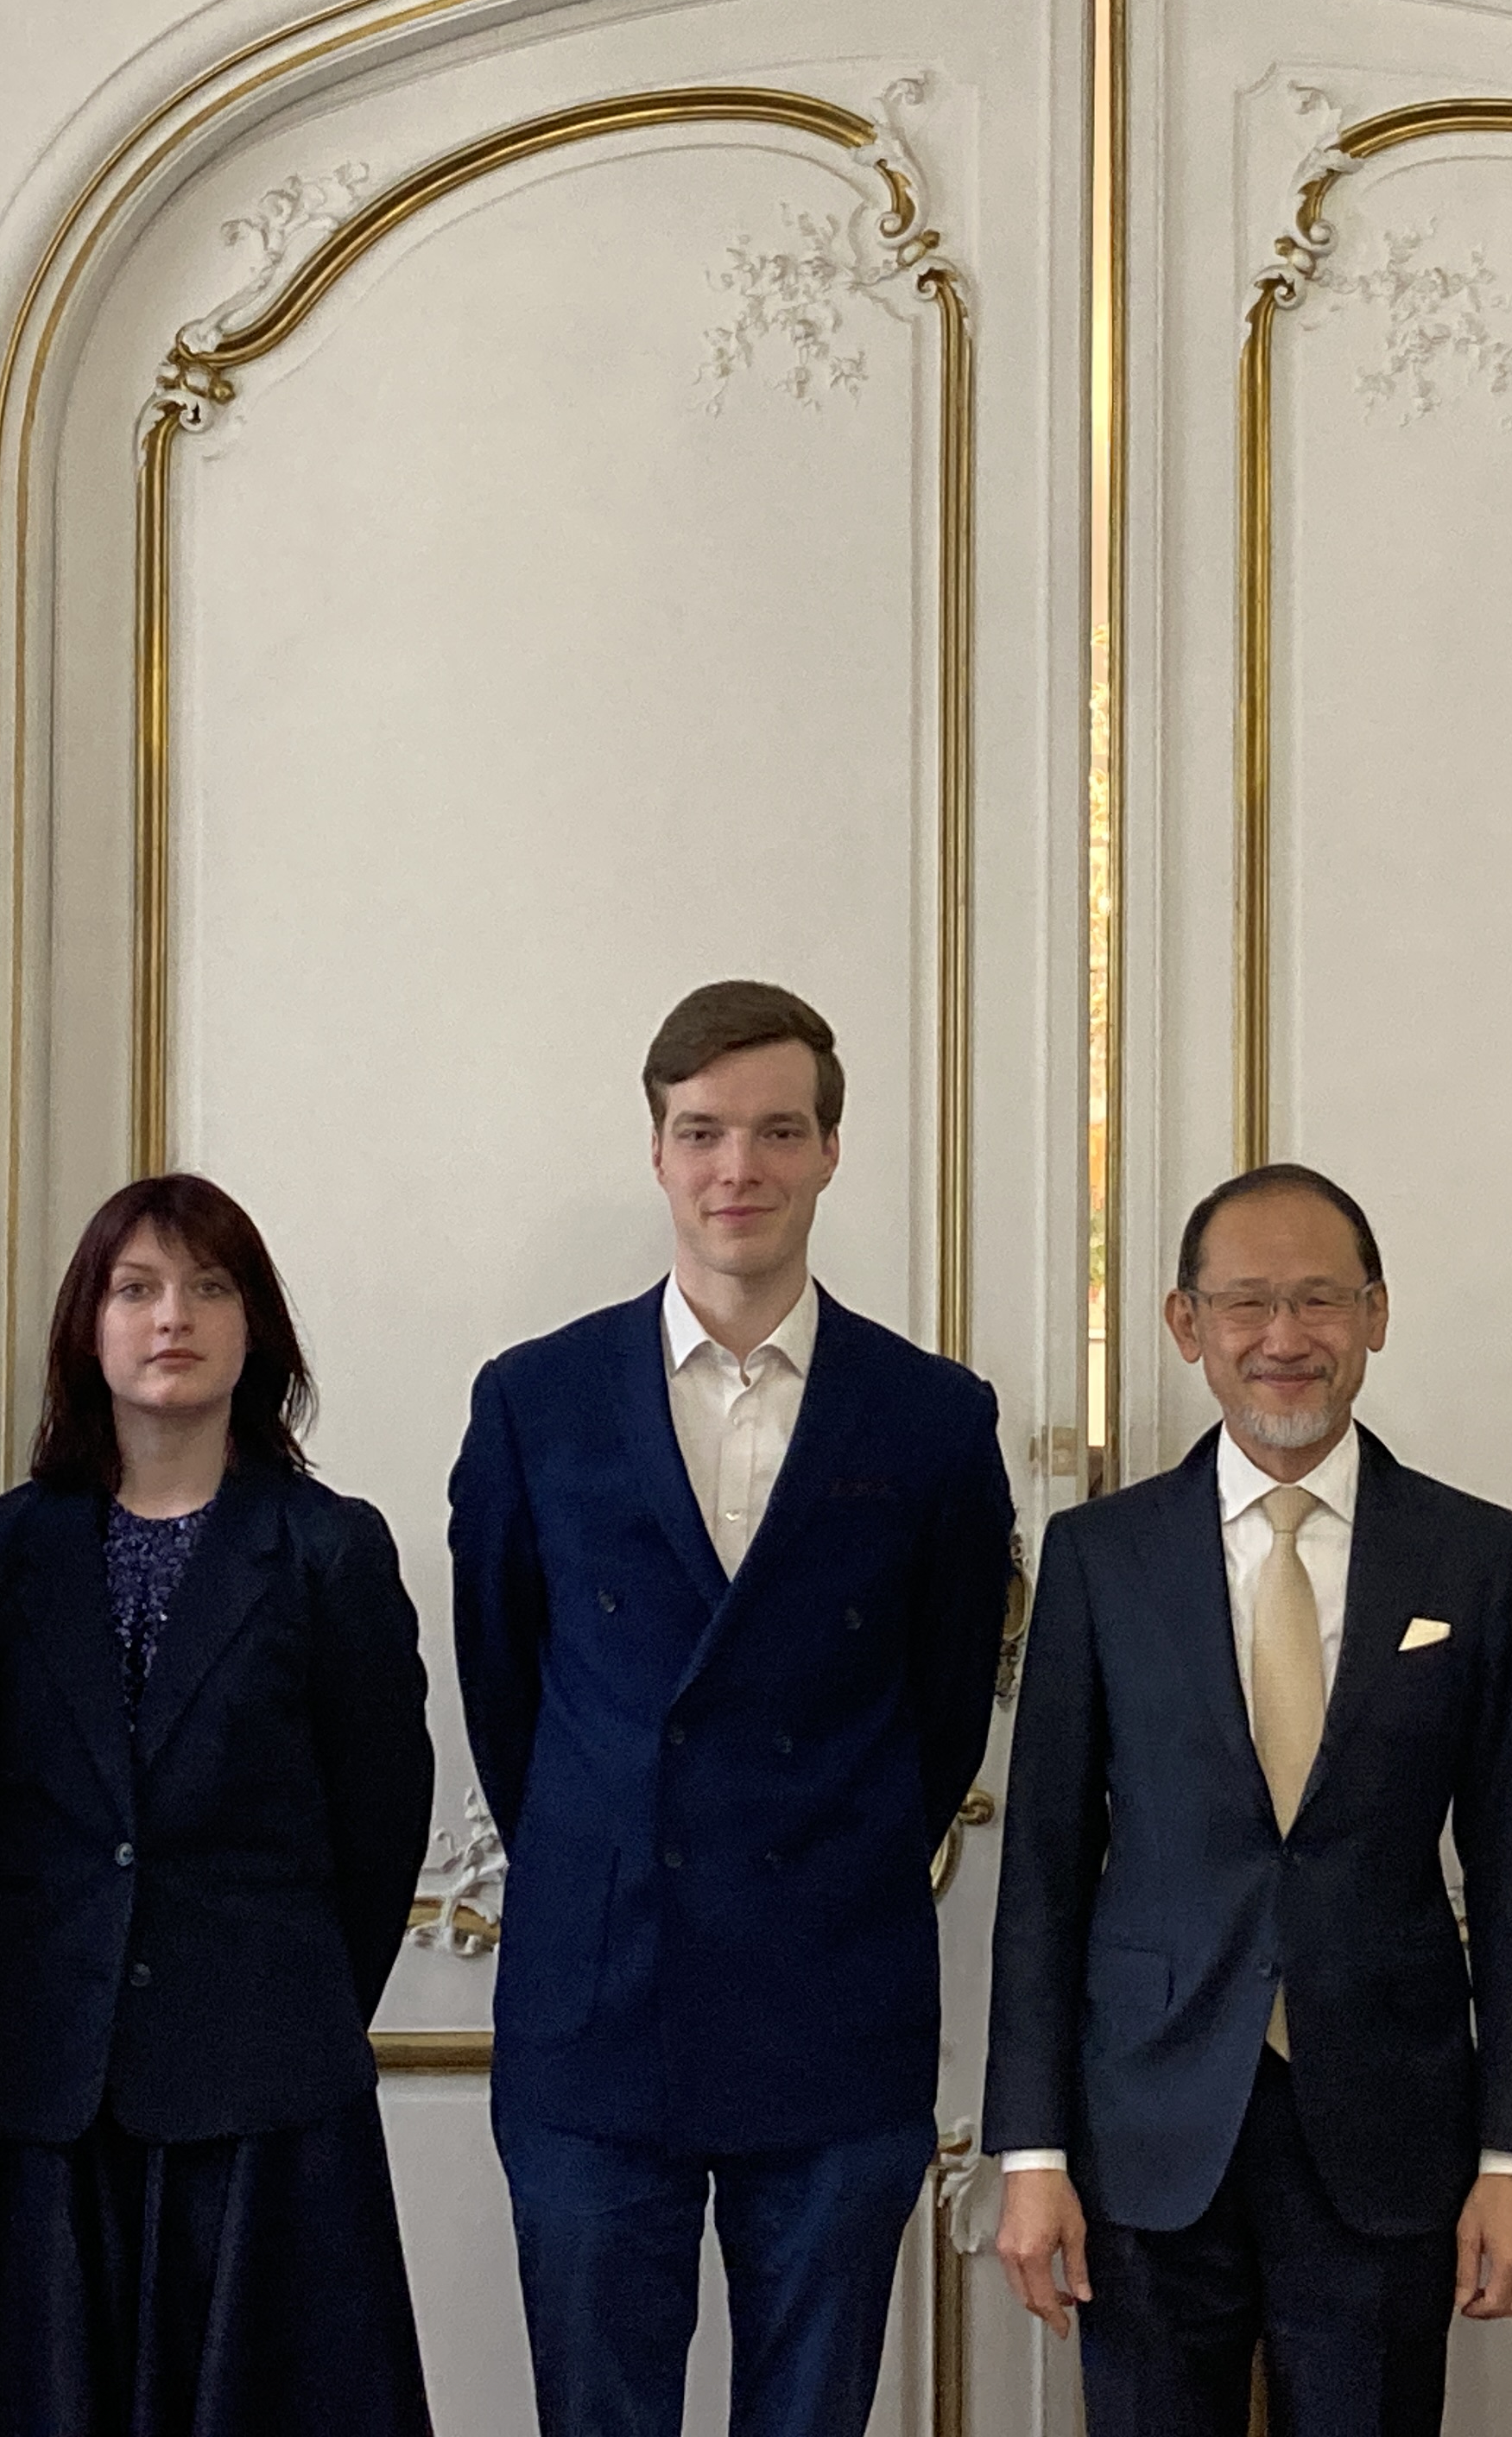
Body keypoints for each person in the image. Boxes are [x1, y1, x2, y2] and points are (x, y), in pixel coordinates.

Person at [450, 980, 1016, 2437]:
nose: (737, 1168)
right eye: (702, 1132)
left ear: (830, 1150)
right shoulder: (533, 1401)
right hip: (596, 2003)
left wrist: (829, 1853)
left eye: (776, 1131)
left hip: (834, 1999)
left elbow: (944, 1705)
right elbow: (506, 1690)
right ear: (656, 1151)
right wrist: (611, 1849)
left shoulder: (935, 1418)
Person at [984, 1162, 1512, 2437]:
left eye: (1320, 1299)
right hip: (1146, 2128)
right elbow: (1041, 1871)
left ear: (1376, 1314)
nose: (1284, 1337)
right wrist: (1029, 2150)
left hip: (1389, 2122)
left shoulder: (1476, 1554)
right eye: (1246, 1303)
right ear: (1185, 1323)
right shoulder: (1102, 1557)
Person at [0, 1174, 435, 2437]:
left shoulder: (331, 1549)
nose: (171, 1316)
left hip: (263, 2099)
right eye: (135, 1289)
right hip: (35, 2093)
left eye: (208, 1286)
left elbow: (379, 1829)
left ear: (256, 1328)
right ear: (90, 1327)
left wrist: (277, 2002)